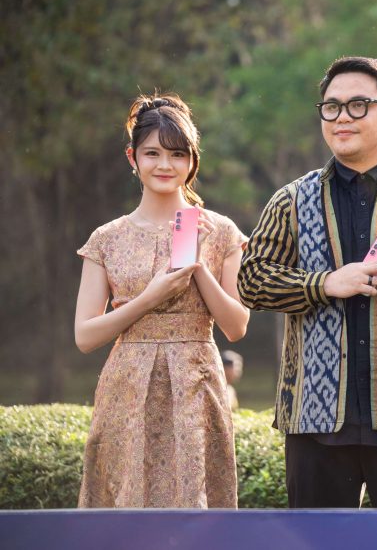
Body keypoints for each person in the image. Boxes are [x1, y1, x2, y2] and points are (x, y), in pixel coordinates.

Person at [238, 55, 377, 509]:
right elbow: (251, 280)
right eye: (332, 107)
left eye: (358, 105)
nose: (342, 117)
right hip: (316, 424)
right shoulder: (291, 199)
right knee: (316, 543)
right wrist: (323, 284)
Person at [75, 93, 250, 508]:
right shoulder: (107, 238)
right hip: (127, 387)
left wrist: (198, 265)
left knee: (195, 506)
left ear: (192, 161)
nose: (165, 165)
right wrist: (148, 298)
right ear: (132, 157)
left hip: (196, 385)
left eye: (177, 154)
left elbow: (236, 327)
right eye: (152, 153)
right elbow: (85, 336)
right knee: (124, 504)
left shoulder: (221, 231)